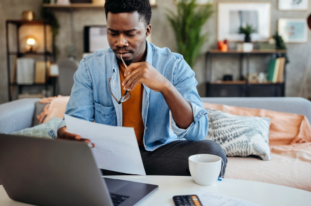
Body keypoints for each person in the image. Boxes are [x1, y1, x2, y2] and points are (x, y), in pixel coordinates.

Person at [56, 0, 227, 176]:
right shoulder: (90, 67)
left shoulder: (174, 65)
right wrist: (67, 131)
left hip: (157, 155)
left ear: (147, 31)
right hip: (109, 156)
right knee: (54, 156)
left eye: (130, 33)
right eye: (112, 33)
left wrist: (165, 87)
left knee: (212, 153)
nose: (120, 42)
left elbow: (198, 132)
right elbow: (76, 120)